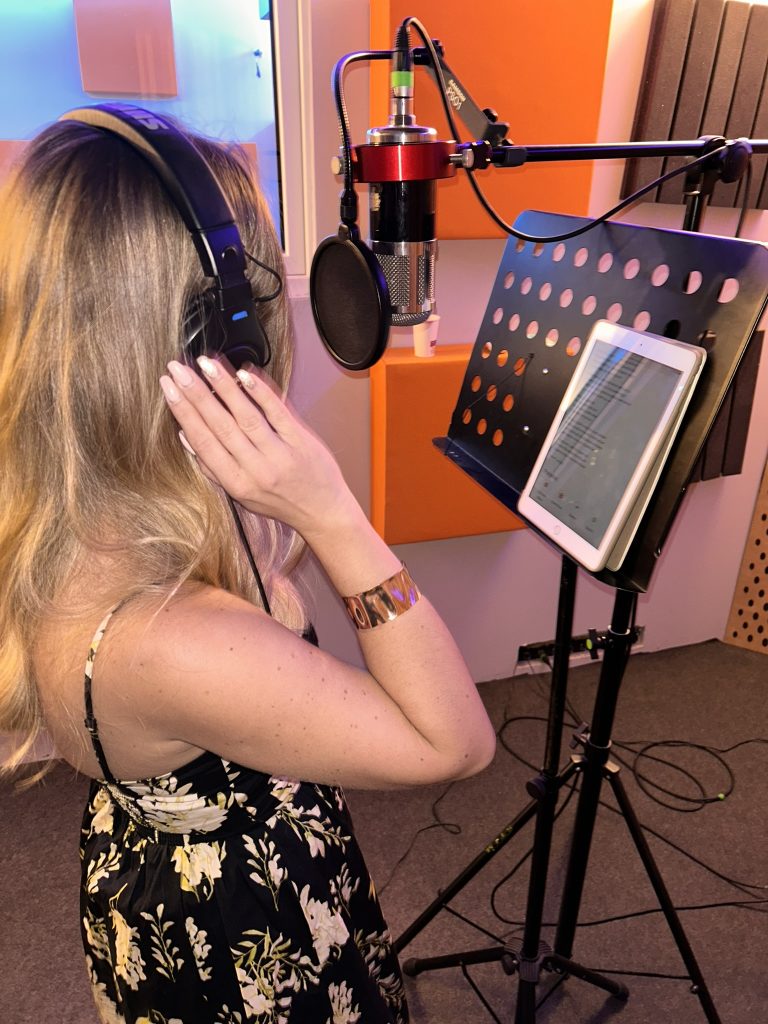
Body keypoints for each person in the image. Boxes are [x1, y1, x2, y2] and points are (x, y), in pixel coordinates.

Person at [0, 113, 497, 1024]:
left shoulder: (87, 511)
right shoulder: (172, 639)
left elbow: (264, 601)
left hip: (172, 858)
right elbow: (455, 743)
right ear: (214, 332)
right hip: (242, 933)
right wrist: (334, 514)